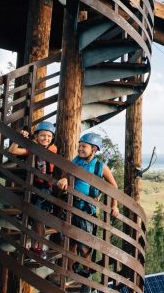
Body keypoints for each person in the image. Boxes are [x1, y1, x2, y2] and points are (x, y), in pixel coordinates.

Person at [56, 132, 119, 280]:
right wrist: (64, 179)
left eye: (84, 146)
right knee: (69, 243)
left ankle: (86, 276)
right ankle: (69, 274)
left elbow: (113, 187)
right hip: (71, 206)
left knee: (84, 247)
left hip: (87, 210)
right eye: (79, 146)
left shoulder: (100, 166)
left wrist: (114, 206)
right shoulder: (76, 160)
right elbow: (67, 174)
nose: (80, 149)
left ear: (94, 149)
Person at [8, 120, 58, 259]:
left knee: (39, 219)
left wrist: (31, 141)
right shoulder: (32, 148)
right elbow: (13, 150)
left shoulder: (53, 149)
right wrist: (20, 138)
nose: (46, 138)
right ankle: (35, 247)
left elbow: (46, 150)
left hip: (45, 189)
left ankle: (39, 248)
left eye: (48, 136)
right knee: (32, 219)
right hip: (32, 187)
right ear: (36, 136)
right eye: (42, 135)